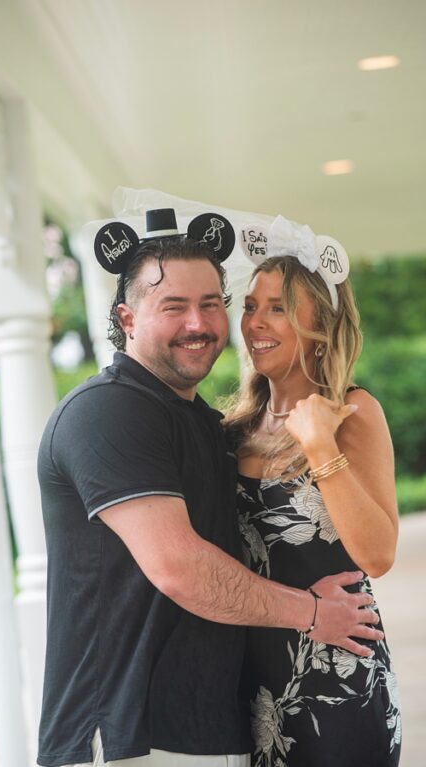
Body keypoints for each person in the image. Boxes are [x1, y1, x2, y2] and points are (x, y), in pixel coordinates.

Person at [36, 208, 383, 767]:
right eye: (173, 306)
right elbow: (182, 568)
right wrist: (314, 614)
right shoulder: (106, 412)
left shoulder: (209, 423)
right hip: (130, 734)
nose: (198, 324)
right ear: (127, 317)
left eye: (212, 304)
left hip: (223, 724)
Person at [224, 217, 400, 766]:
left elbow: (378, 553)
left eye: (277, 307)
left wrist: (321, 446)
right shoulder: (233, 428)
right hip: (250, 682)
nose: (256, 322)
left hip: (336, 680)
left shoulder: (354, 412)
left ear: (319, 320)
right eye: (251, 306)